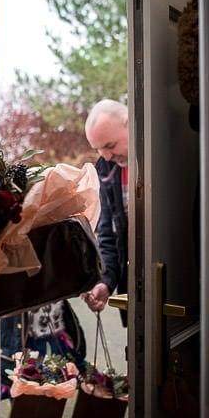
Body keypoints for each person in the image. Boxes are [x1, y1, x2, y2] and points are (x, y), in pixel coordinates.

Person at [81, 99, 129, 326]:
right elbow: (109, 236)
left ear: (130, 124)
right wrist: (106, 281)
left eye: (110, 145)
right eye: (99, 149)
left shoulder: (161, 160)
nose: (107, 156)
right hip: (133, 295)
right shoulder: (108, 168)